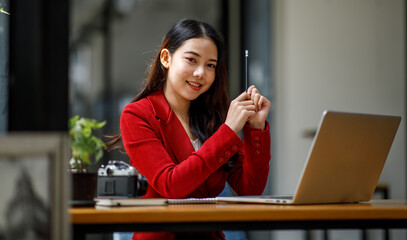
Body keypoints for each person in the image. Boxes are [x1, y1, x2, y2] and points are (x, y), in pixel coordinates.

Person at [108, 18, 271, 240]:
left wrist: (256, 128)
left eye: (210, 65)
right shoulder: (137, 115)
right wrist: (229, 130)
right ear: (166, 58)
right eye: (191, 60)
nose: (200, 73)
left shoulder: (213, 118)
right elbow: (171, 185)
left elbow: (250, 190)